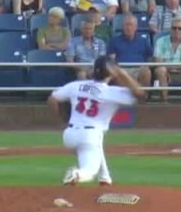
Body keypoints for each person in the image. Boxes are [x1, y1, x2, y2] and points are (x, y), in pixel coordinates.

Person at [51, 56, 146, 186]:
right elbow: (141, 94)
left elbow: (52, 98)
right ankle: (76, 174)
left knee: (98, 142)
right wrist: (121, 73)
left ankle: (105, 177)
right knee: (89, 171)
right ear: (111, 74)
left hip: (69, 135)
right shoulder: (113, 92)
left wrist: (60, 119)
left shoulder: (76, 85)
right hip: (89, 137)